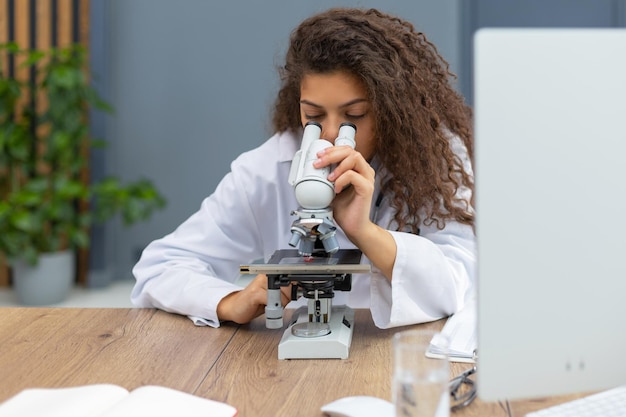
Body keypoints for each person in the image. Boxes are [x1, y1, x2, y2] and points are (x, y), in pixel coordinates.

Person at [131, 7, 475, 329]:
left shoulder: (435, 161)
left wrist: (364, 232)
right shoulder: (270, 167)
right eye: (313, 116)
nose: (328, 133)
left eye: (354, 116)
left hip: (402, 354)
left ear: (389, 110)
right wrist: (229, 301)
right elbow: (161, 267)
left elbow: (458, 283)